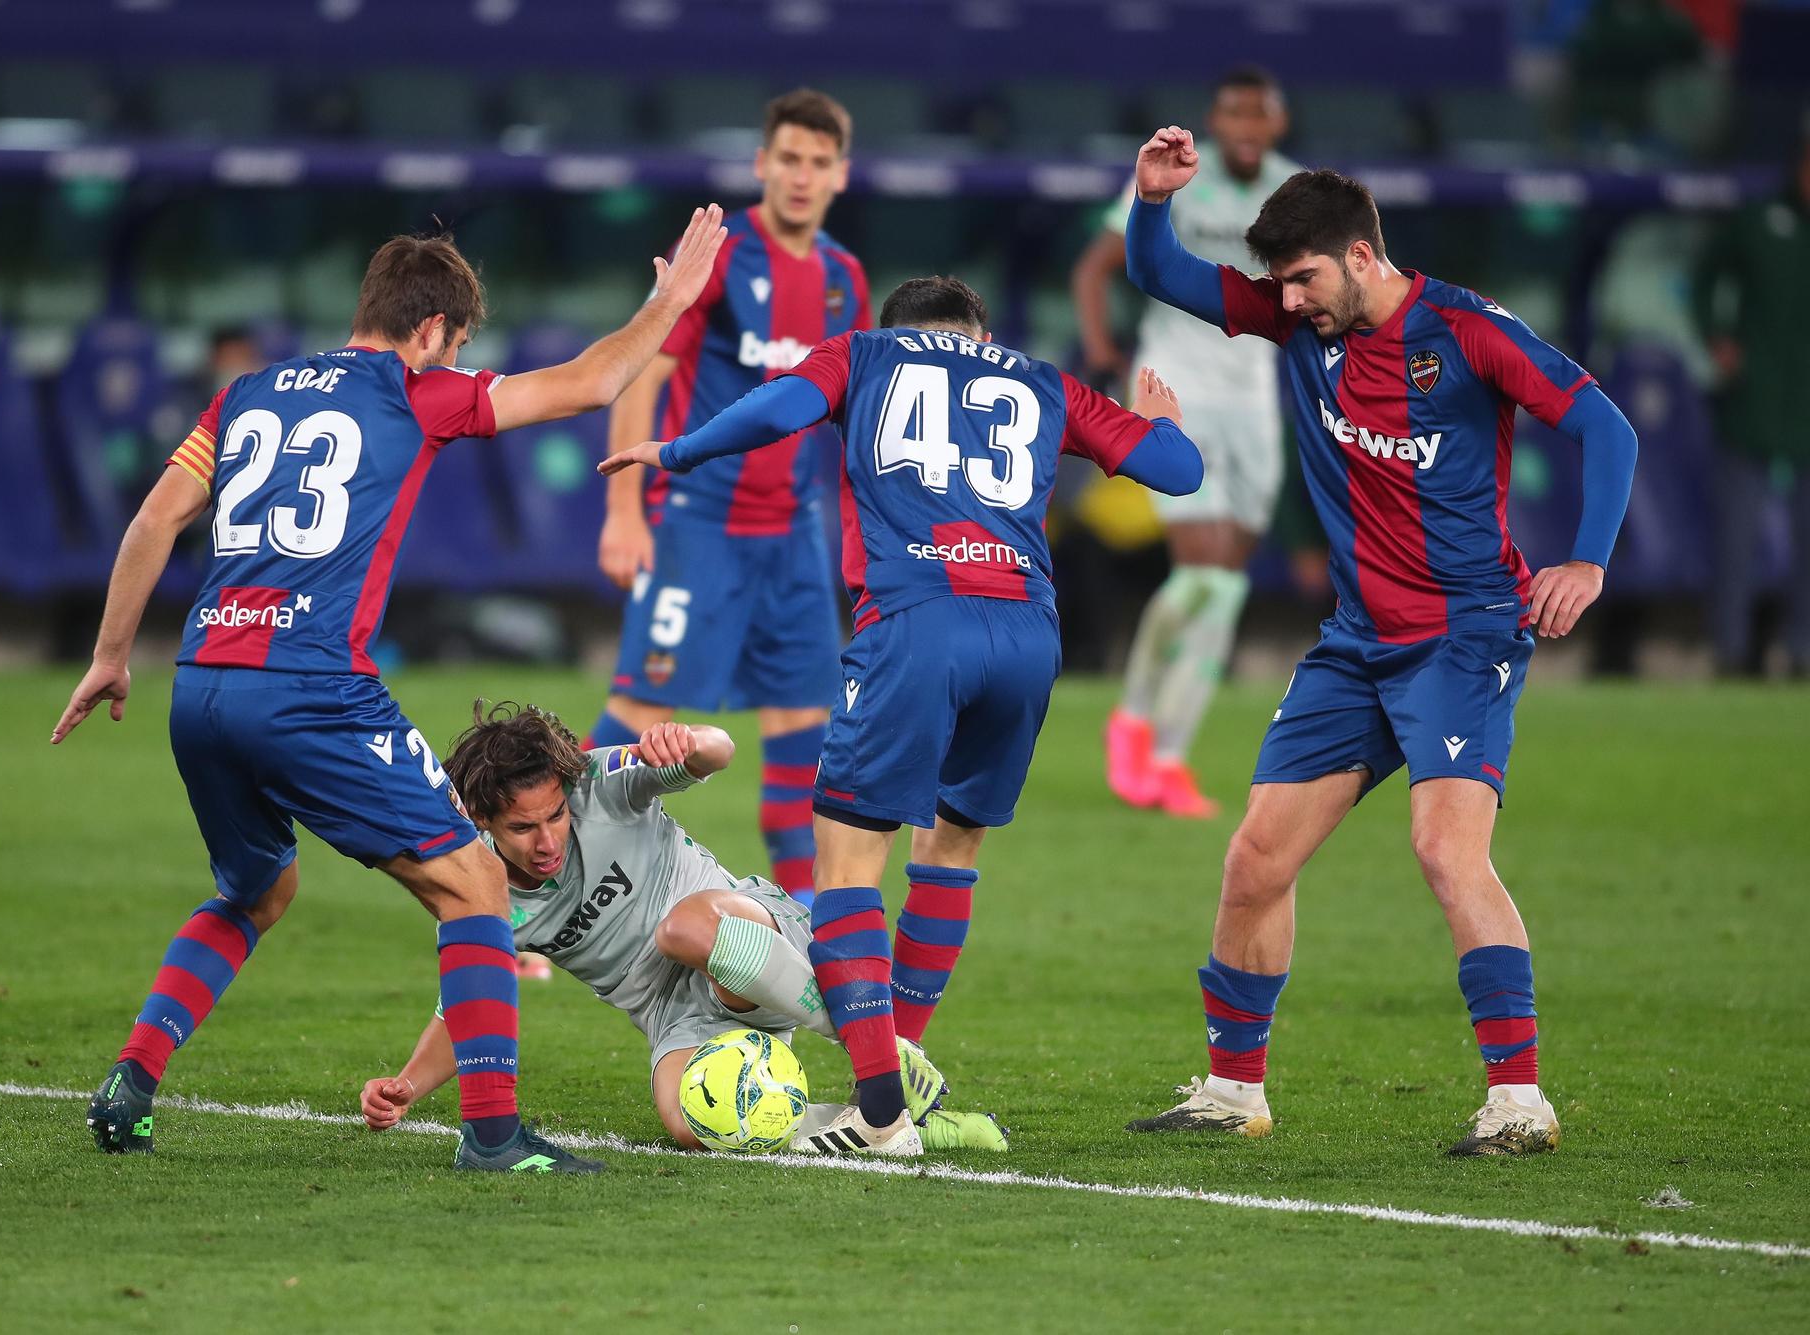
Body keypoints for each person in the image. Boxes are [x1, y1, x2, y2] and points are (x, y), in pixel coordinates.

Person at [50, 206, 730, 1175]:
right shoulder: (415, 391)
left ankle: (133, 1078)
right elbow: (592, 382)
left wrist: (112, 655)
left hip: (200, 684)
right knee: (478, 881)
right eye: (454, 344)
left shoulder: (244, 394)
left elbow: (155, 519)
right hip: (311, 685)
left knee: (255, 888)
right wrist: (667, 301)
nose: (451, 358)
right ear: (430, 334)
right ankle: (492, 1134)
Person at [1121, 128, 1638, 1155]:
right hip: (1357, 644)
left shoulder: (1469, 333)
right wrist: (1147, 200)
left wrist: (1584, 560)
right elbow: (1158, 270)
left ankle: (1517, 1101)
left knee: (1444, 849)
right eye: (1281, 283)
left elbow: (1605, 429)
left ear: (1362, 253)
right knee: (1253, 860)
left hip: (1462, 636)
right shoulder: (1294, 321)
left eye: (1305, 277)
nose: (1292, 298)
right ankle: (1232, 1091)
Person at [604, 276, 1205, 1154]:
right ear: (981, 332)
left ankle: (881, 1116)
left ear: (895, 330)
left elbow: (775, 411)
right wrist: (1161, 424)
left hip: (917, 623)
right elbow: (1180, 473)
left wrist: (679, 452)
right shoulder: (1040, 378)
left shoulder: (863, 355)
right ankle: (899, 1084)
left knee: (848, 867)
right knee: (952, 848)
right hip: (1030, 636)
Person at [356, 703, 1006, 1153]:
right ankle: (896, 1124)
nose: (548, 838)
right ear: (484, 822)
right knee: (686, 1120)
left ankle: (881, 1054)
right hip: (676, 1015)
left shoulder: (599, 784)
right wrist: (408, 1083)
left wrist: (686, 740)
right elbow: (468, 1005)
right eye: (523, 828)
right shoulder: (483, 886)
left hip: (750, 929)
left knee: (681, 926)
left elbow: (719, 750)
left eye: (554, 815)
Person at [592, 89, 871, 910]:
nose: (801, 176)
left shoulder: (843, 278)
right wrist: (621, 513)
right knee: (635, 721)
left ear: (841, 176)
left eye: (819, 162)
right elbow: (646, 367)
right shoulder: (717, 252)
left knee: (802, 739)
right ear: (761, 164)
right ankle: (531, 889)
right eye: (788, 157)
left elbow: (849, 414)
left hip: (793, 536)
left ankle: (804, 930)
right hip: (698, 526)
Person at [1070, 67, 1299, 817]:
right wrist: (1103, 352)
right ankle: (1134, 721)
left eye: (1257, 113)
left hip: (1255, 393)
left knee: (1228, 586)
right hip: (1182, 385)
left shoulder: (1294, 192)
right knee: (1200, 573)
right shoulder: (1178, 176)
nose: (1245, 125)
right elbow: (1096, 268)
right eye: (1232, 111)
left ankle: (1168, 756)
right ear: (1215, 117)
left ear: (1276, 123)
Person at [1694, 134, 1810, 678]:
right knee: (1736, 538)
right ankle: (1730, 653)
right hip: (1752, 404)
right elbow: (1704, 275)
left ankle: (1802, 652)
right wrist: (1716, 336)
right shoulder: (1761, 219)